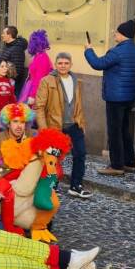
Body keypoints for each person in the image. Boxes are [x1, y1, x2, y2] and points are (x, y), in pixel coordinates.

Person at [84, 20, 135, 176]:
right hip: (130, 97)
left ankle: (117, 165)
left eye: (117, 32)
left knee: (114, 131)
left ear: (123, 34)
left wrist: (88, 50)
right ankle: (129, 162)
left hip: (116, 97)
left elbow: (98, 64)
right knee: (124, 130)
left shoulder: (117, 52)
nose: (114, 34)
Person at [34, 52, 91, 198]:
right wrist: (44, 129)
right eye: (60, 63)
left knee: (80, 154)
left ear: (70, 64)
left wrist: (82, 122)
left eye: (66, 63)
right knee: (54, 156)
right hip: (54, 125)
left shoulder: (76, 81)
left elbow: (78, 105)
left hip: (74, 124)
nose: (63, 66)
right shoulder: (47, 81)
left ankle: (76, 185)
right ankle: (53, 186)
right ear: (56, 64)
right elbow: (39, 106)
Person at [19, 29, 52, 104]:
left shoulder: (41, 57)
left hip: (36, 90)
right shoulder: (38, 56)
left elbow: (39, 78)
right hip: (32, 87)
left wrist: (33, 96)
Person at [0, 26, 28, 95]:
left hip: (13, 84)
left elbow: (17, 70)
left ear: (9, 35)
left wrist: (9, 80)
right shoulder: (8, 45)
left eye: (4, 33)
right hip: (6, 80)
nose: (2, 35)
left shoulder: (17, 49)